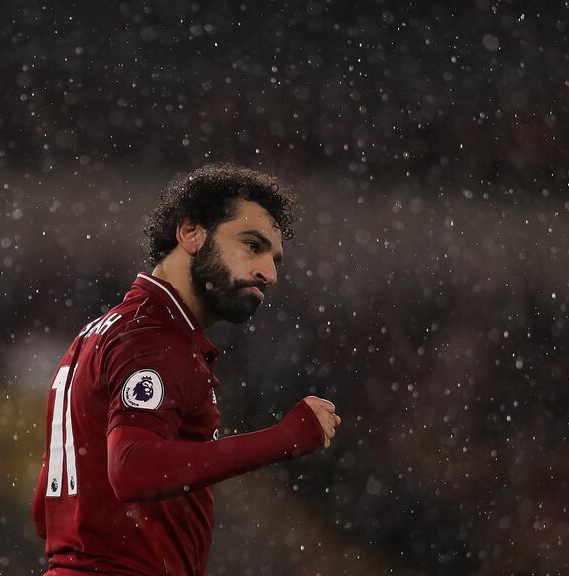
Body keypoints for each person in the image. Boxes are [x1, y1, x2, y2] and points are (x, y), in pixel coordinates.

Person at [32, 163, 342, 575]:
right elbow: (133, 469)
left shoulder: (97, 334)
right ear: (191, 233)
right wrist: (285, 438)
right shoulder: (156, 338)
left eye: (275, 259)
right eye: (252, 245)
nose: (269, 273)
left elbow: (45, 510)